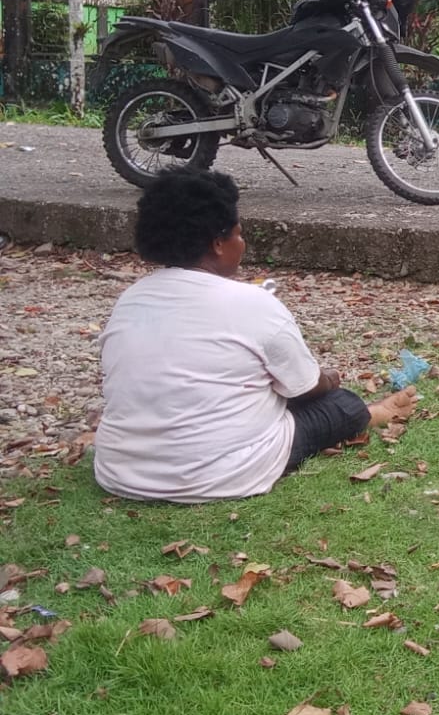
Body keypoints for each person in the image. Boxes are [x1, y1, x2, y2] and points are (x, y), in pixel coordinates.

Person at [95, 168, 416, 503]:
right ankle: (377, 413)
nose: (243, 243)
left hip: (121, 471)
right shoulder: (251, 302)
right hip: (218, 474)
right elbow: (306, 389)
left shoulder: (130, 300)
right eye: (239, 233)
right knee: (343, 405)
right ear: (218, 244)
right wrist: (330, 380)